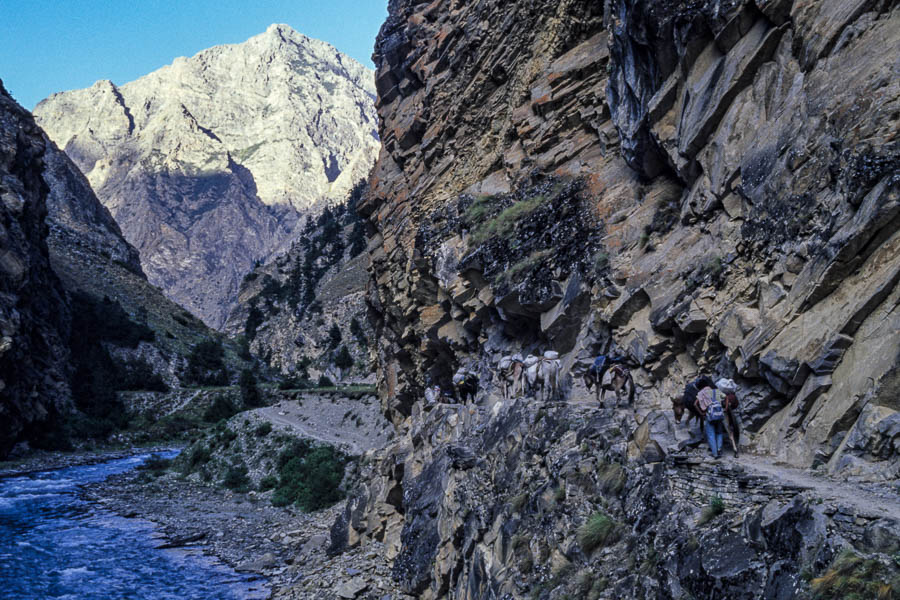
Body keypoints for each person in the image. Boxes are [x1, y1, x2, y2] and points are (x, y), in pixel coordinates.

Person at [695, 386, 725, 458]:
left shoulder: (702, 393)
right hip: (719, 416)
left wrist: (701, 413)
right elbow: (725, 398)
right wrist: (725, 408)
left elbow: (695, 404)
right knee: (719, 433)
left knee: (711, 435)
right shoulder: (717, 392)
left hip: (710, 417)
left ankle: (715, 454)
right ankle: (719, 450)